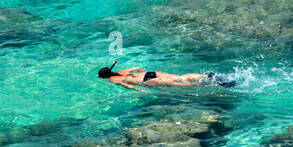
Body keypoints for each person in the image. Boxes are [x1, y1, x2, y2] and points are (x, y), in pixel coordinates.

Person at [98, 66, 234, 88]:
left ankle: (207, 84)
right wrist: (144, 71)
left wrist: (139, 90)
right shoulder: (121, 71)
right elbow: (138, 68)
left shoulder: (112, 79)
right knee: (180, 77)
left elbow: (126, 85)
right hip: (149, 74)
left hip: (146, 81)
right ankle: (206, 77)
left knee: (176, 84)